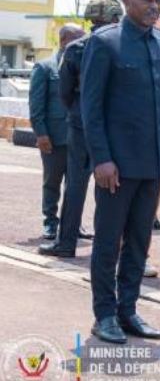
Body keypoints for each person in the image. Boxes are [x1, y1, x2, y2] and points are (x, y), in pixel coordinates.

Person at [81, 0, 160, 344]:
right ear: (126, 0)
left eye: (159, 0)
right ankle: (104, 315)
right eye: (147, 0)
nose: (155, 6)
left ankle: (128, 311)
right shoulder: (105, 44)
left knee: (139, 242)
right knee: (108, 243)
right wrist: (101, 159)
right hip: (116, 168)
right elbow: (91, 108)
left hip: (153, 165)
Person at [40, 0, 123, 258]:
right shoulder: (121, 47)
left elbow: (64, 93)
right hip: (110, 125)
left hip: (79, 124)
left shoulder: (75, 49)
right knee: (109, 185)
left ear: (89, 18)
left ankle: (66, 244)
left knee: (75, 184)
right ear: (115, 17)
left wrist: (78, 112)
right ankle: (105, 247)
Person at [30, 23, 85, 240]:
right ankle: (51, 223)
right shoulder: (45, 68)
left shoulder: (84, 67)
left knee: (76, 185)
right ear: (64, 40)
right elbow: (36, 104)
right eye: (78, 39)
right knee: (52, 182)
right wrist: (41, 133)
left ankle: (72, 225)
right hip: (54, 137)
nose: (82, 43)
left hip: (79, 138)